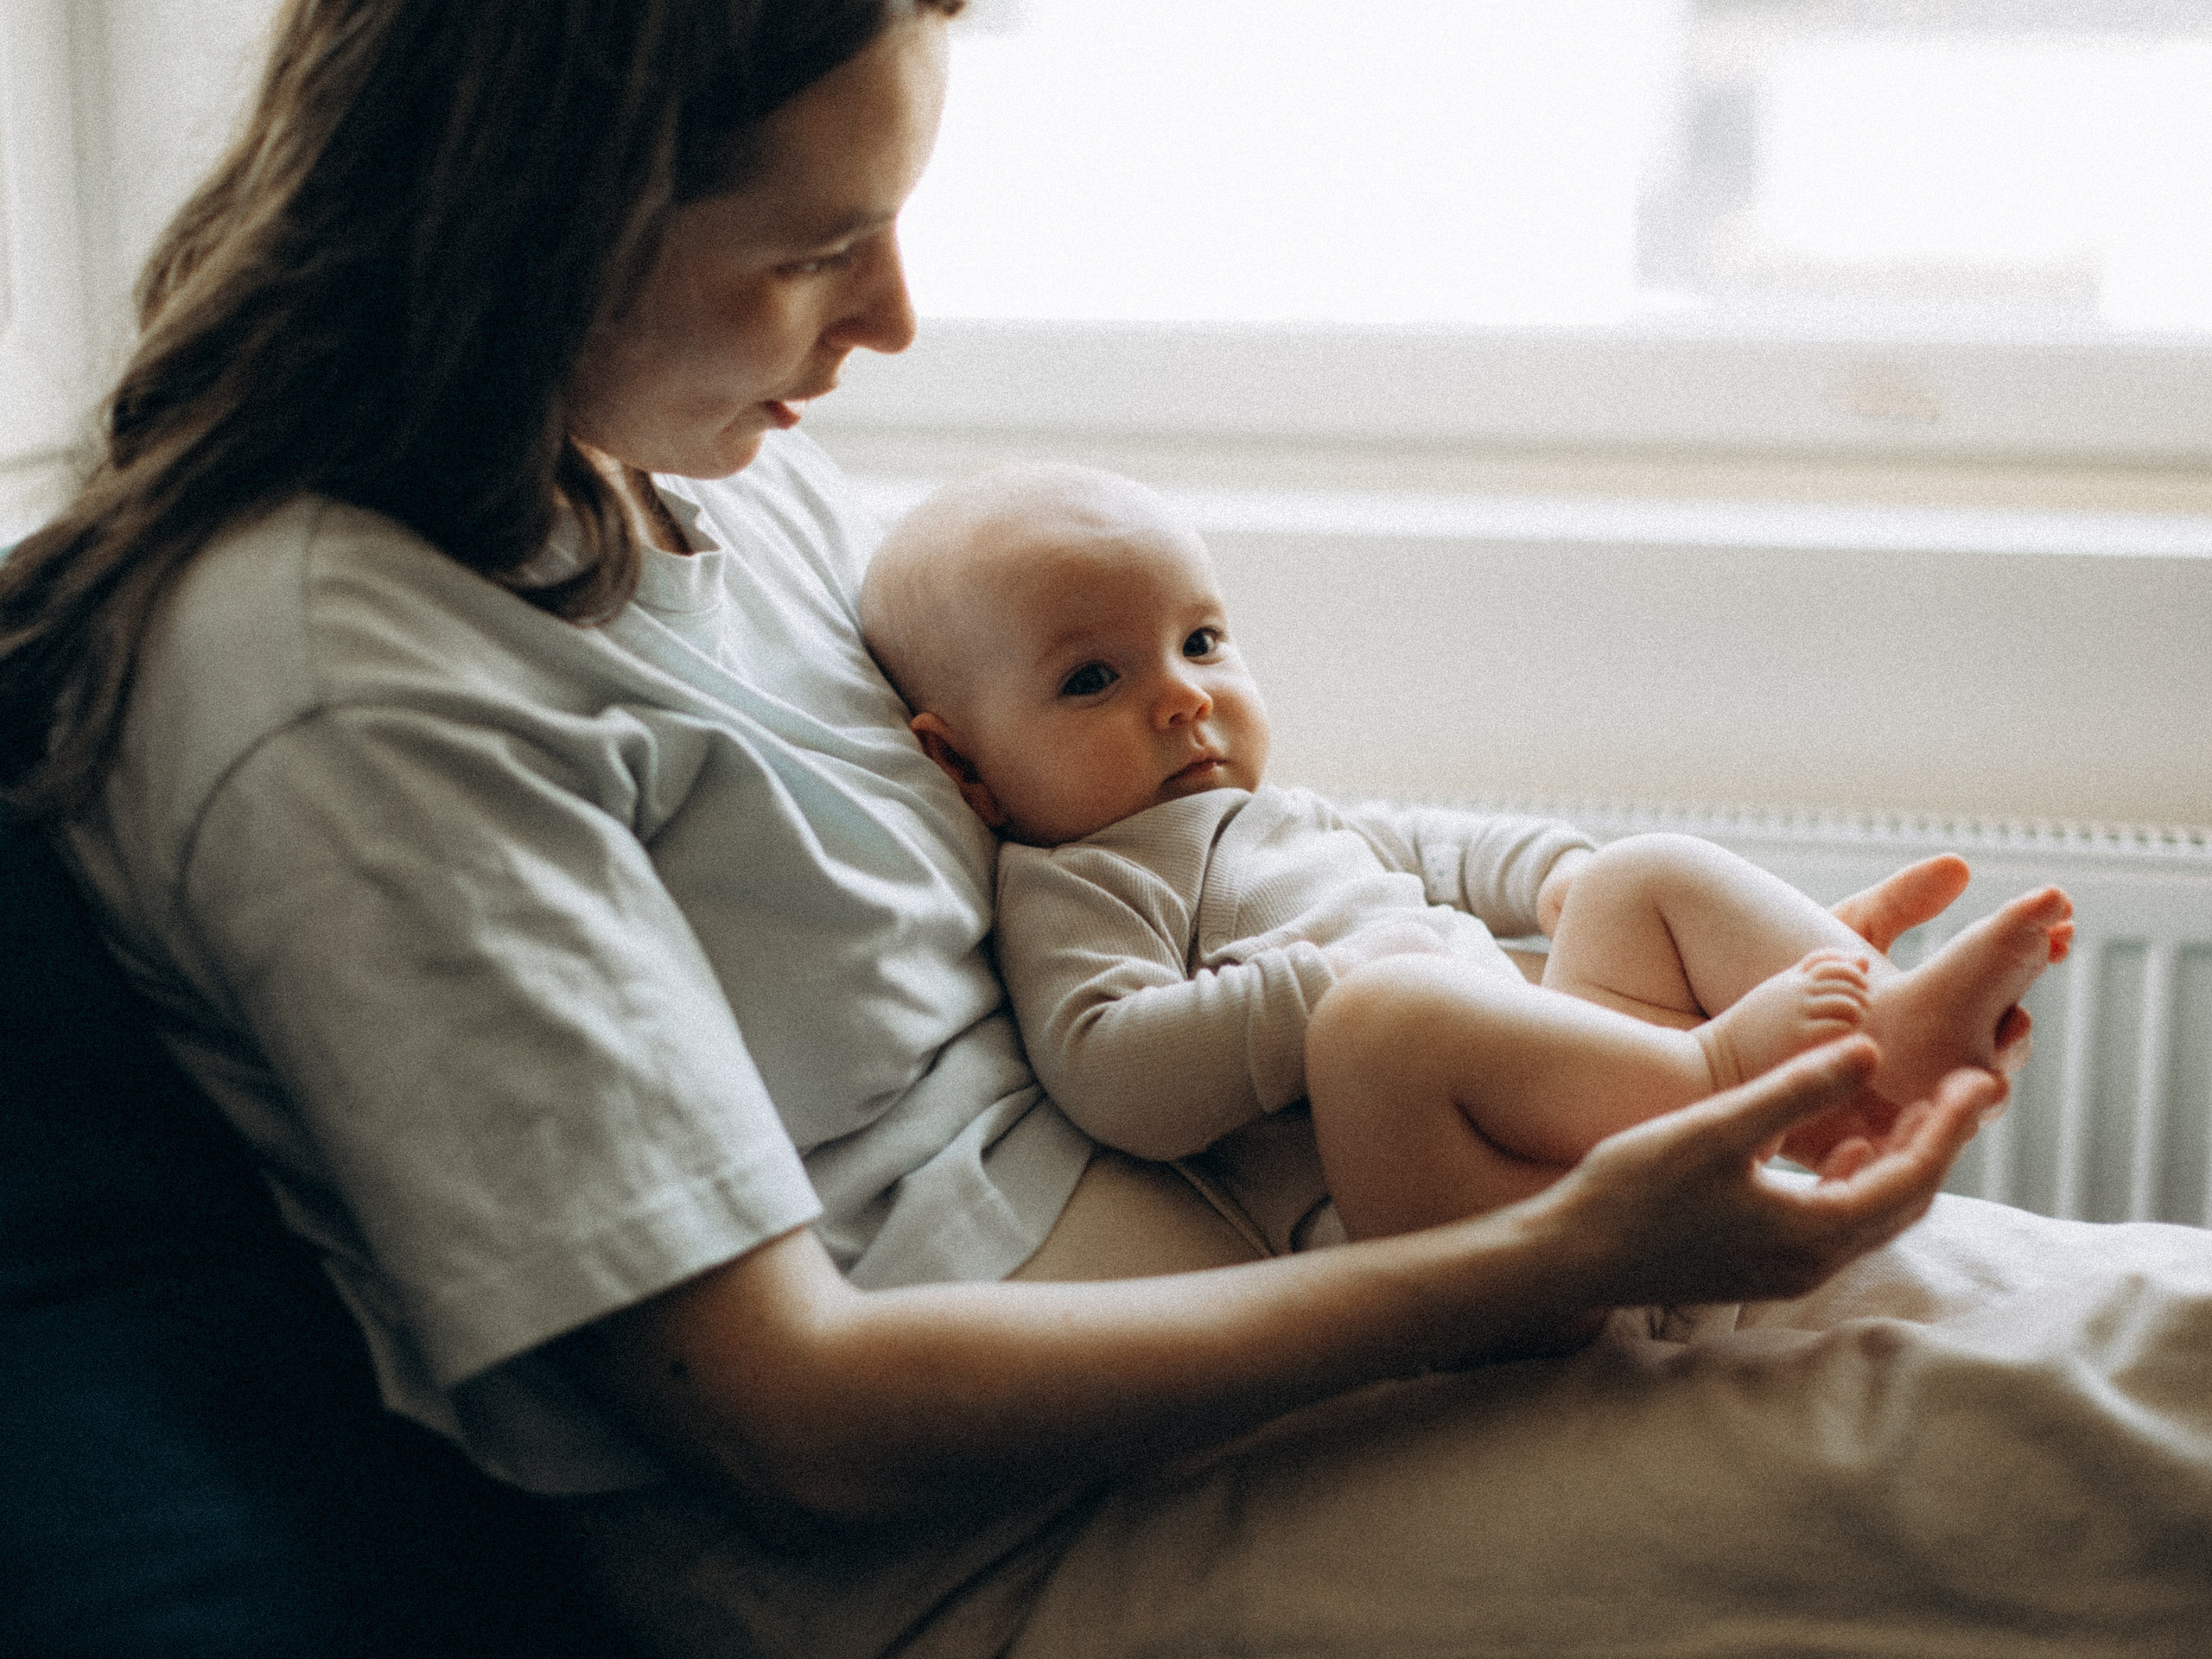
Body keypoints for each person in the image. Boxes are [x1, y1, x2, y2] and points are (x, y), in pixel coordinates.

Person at [3, 3, 2208, 1656]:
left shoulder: (703, 479)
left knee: (2133, 1341)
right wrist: (1542, 1263)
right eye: (813, 249)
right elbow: (791, 1415)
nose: (889, 321)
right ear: (525, 224)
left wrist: (1541, 1058)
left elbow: (1126, 852)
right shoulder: (329, 677)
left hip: (1294, 1286)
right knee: (2107, 1444)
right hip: (971, 1549)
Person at [861, 463, 2074, 1245]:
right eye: (1092, 678)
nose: (1183, 699)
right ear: (964, 766)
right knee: (1378, 1024)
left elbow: (1438, 846)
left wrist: (1551, 877)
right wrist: (1328, 984)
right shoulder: (1076, 880)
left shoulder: (1272, 816)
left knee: (1636, 871)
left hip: (1561, 1109)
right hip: (1439, 1212)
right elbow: (1111, 1073)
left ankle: (1890, 1037)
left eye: (1203, 640)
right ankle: (1719, 1082)